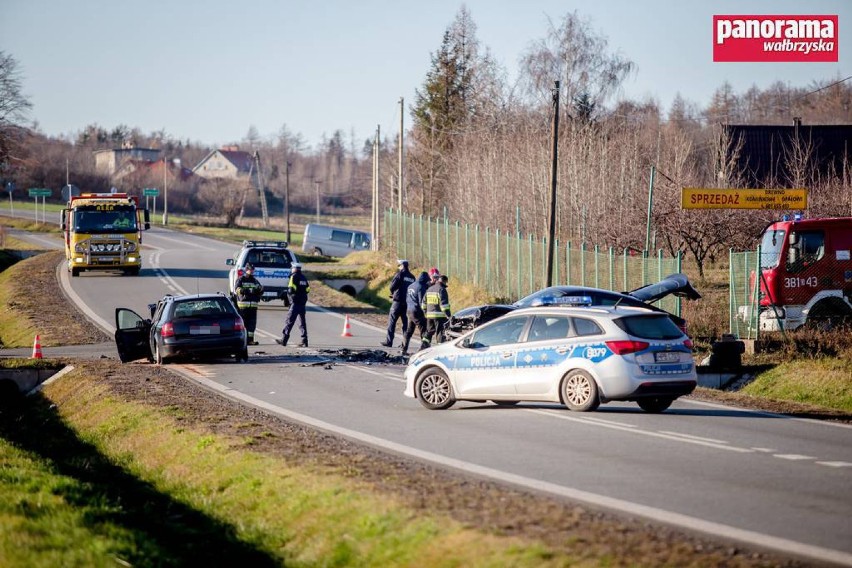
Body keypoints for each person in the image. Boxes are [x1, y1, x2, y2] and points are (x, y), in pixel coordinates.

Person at [381, 259, 415, 348]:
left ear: (402, 265)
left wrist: (393, 293)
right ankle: (404, 344)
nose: (398, 267)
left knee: (392, 322)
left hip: (397, 302)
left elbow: (392, 286)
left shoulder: (400, 274)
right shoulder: (412, 277)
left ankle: (389, 341)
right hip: (407, 303)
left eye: (399, 265)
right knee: (405, 324)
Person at [276, 262, 310, 347]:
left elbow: (291, 289)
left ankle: (284, 340)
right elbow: (308, 289)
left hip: (295, 303)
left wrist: (287, 294)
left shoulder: (293, 276)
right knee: (302, 322)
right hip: (302, 303)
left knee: (289, 321)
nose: (291, 269)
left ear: (294, 269)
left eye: (292, 268)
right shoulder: (303, 277)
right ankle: (304, 340)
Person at [400, 271, 431, 355]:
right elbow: (422, 301)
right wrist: (426, 312)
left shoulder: (411, 286)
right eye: (427, 280)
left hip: (409, 310)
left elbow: (407, 298)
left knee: (409, 331)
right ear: (424, 279)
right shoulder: (421, 287)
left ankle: (403, 349)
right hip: (417, 311)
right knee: (424, 329)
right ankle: (424, 351)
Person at [234, 263, 263, 345]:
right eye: (251, 270)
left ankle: (250, 340)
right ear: (246, 270)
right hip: (243, 307)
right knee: (244, 324)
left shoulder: (254, 280)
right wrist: (248, 291)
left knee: (252, 324)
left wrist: (260, 290)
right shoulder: (241, 280)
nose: (252, 271)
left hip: (253, 306)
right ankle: (243, 340)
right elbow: (237, 290)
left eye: (253, 270)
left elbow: (260, 289)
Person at [422, 272, 451, 346]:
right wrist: (448, 316)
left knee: (429, 331)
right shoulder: (442, 289)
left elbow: (423, 303)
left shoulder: (429, 289)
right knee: (440, 333)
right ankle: (440, 348)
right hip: (439, 316)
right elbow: (444, 305)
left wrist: (425, 312)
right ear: (444, 281)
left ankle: (424, 345)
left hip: (429, 316)